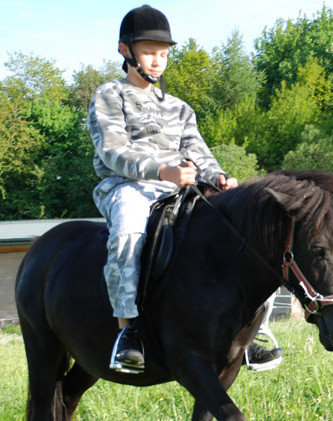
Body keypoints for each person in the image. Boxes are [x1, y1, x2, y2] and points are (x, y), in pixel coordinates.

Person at [89, 5, 281, 373]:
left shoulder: (179, 108)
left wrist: (220, 177)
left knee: (245, 228)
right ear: (125, 50)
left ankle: (252, 334)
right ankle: (127, 332)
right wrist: (162, 170)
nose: (158, 61)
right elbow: (113, 151)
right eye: (149, 52)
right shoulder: (110, 95)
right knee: (129, 230)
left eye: (163, 54)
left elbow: (198, 152)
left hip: (180, 187)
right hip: (127, 187)